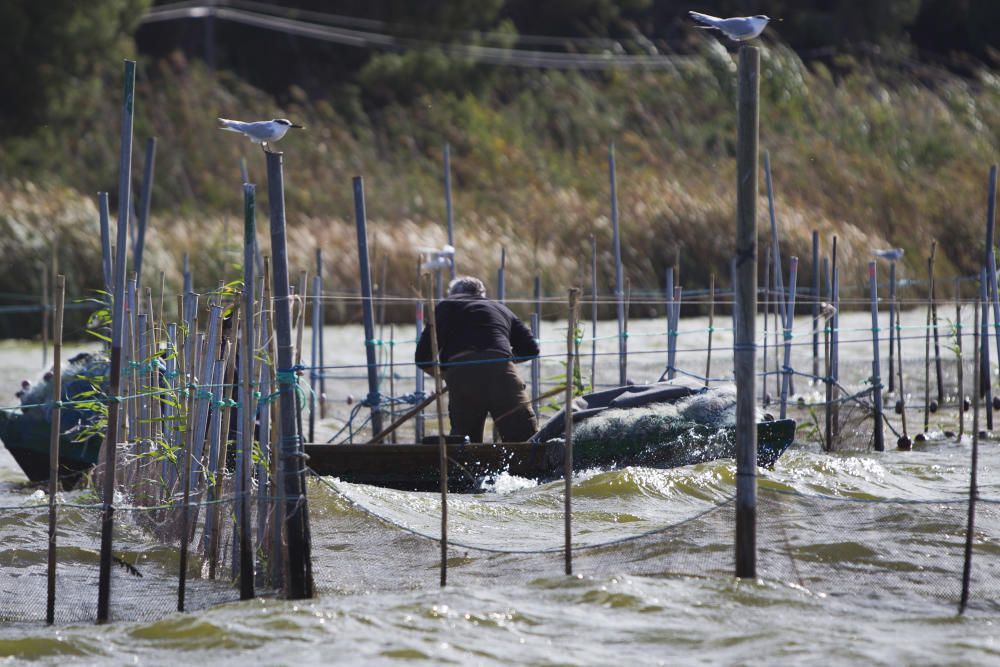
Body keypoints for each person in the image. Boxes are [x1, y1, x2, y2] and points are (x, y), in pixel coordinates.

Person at [415, 276, 539, 442]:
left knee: (466, 449)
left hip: (462, 376)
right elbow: (531, 349)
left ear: (452, 294)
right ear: (482, 294)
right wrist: (500, 362)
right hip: (504, 373)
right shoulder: (501, 308)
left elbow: (423, 358)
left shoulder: (446, 305)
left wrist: (448, 375)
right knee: (526, 442)